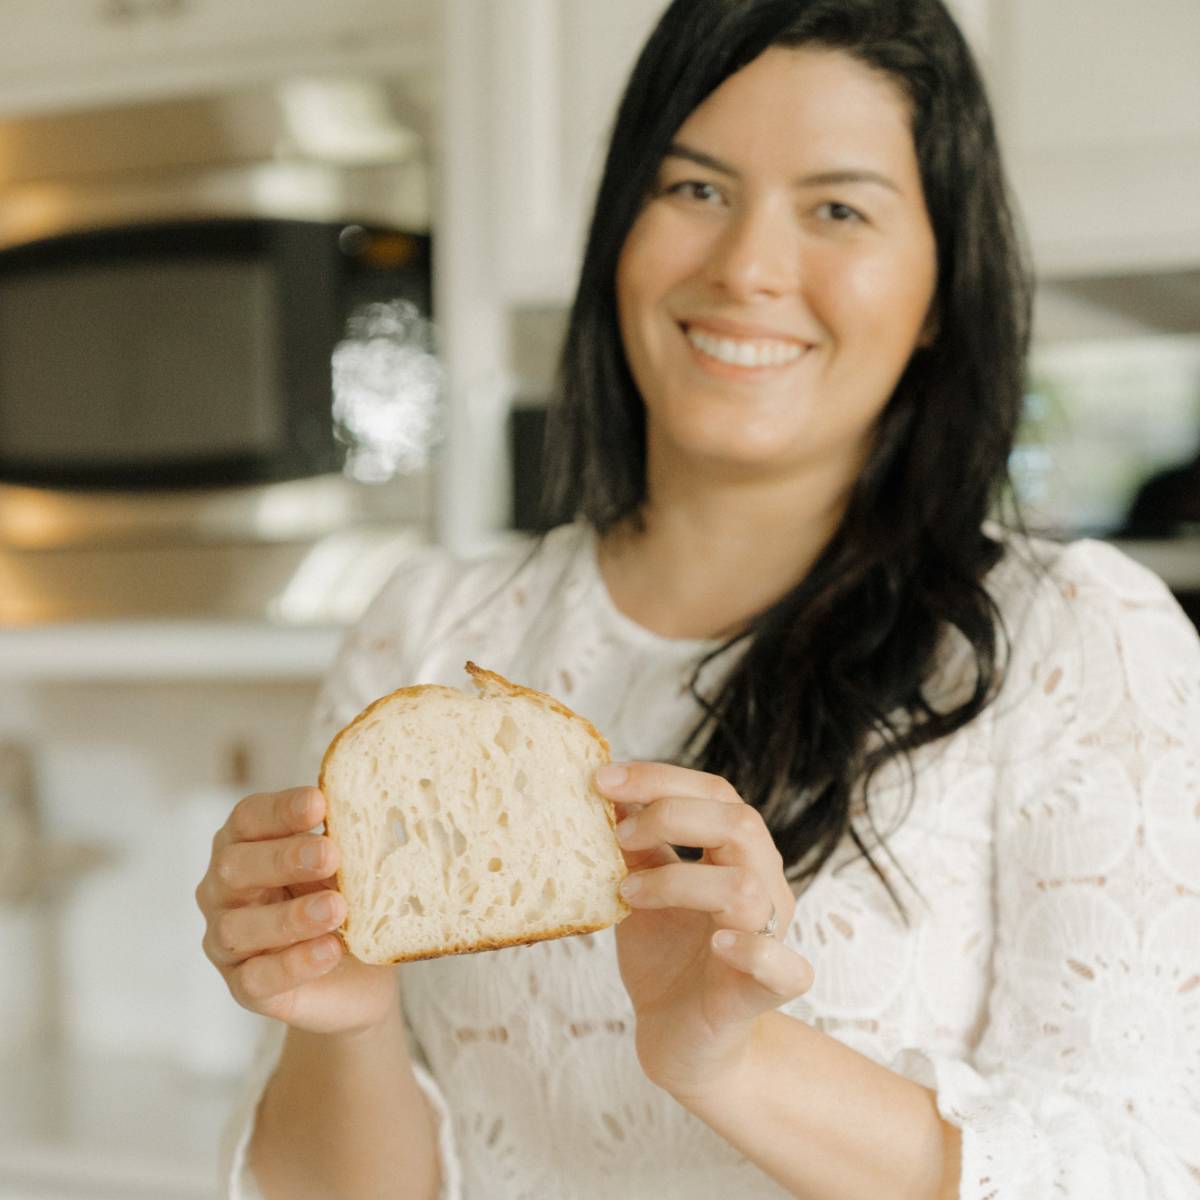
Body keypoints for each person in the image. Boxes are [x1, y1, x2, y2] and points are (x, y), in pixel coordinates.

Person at [195, 1, 1200, 1196]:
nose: (747, 268)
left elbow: (1142, 1167)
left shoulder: (1076, 634)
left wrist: (733, 1062)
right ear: (620, 226)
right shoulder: (428, 630)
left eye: (838, 209)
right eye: (695, 189)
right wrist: (342, 1016)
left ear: (941, 287)